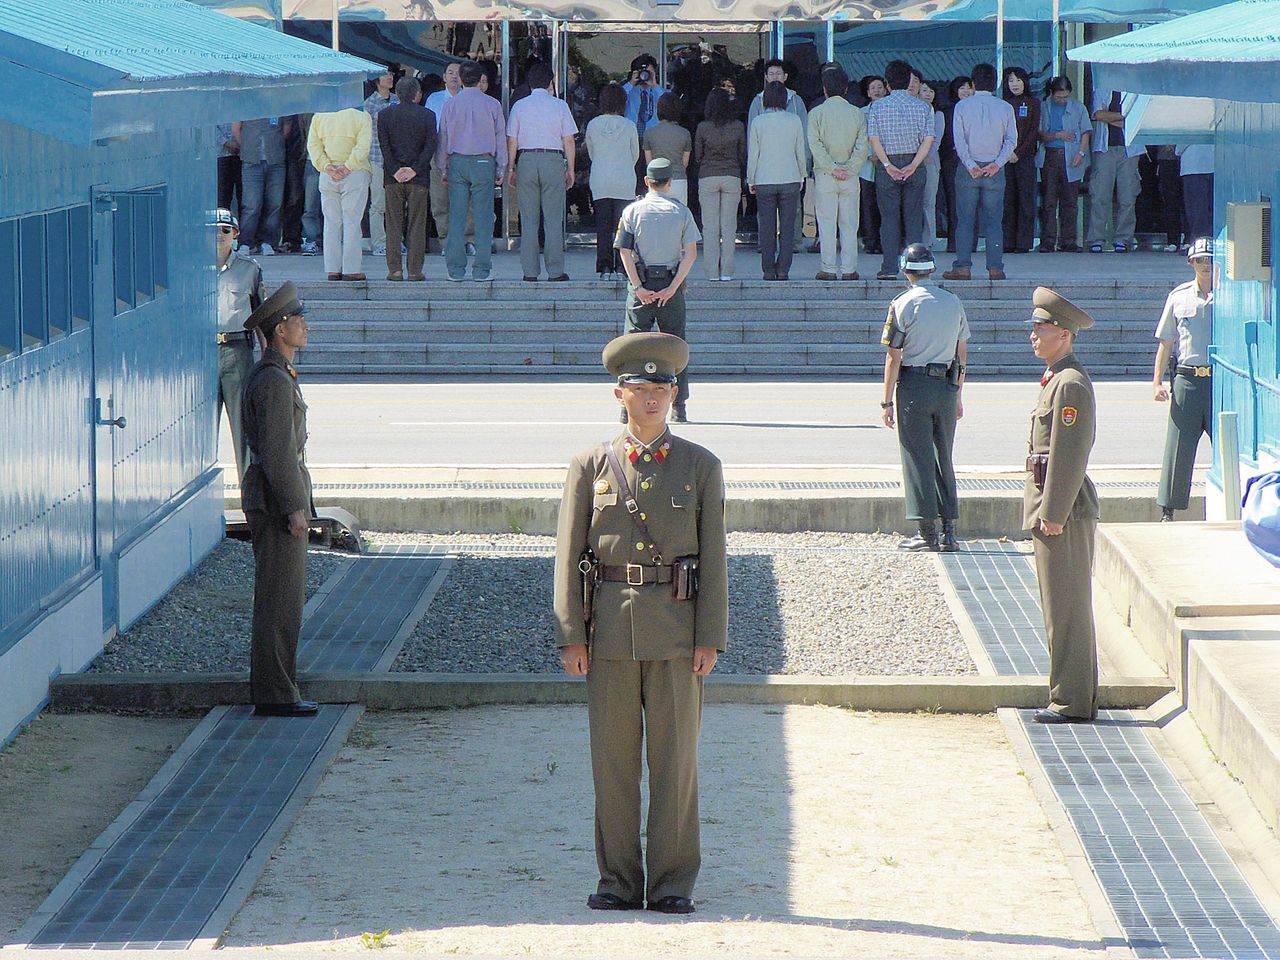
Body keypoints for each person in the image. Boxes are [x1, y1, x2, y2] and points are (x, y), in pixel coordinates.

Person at [552, 331, 728, 916]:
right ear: (618, 393)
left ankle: (673, 883)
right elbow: (568, 553)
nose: (653, 397)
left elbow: (715, 555)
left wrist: (711, 636)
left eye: (663, 387)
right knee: (614, 764)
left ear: (675, 395)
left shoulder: (700, 466)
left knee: (676, 764)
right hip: (608, 633)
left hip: (677, 633)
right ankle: (618, 881)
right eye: (641, 387)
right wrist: (571, 634)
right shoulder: (589, 465)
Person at [240, 281, 318, 719]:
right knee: (278, 599)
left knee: (285, 598)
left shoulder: (278, 374)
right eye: (296, 320)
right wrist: (295, 507)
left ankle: (281, 688)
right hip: (274, 502)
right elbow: (277, 452)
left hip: (276, 497)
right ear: (278, 331)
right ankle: (274, 693)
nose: (304, 325)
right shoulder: (272, 380)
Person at [1024, 286, 1099, 725]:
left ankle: (1070, 700)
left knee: (1067, 609)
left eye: (1042, 328)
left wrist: (1052, 513)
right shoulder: (1057, 378)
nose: (1033, 335)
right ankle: (1074, 695)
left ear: (1064, 335)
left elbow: (1069, 455)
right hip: (1054, 507)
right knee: (1062, 608)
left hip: (1063, 512)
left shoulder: (1069, 383)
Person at [879, 243, 969, 552]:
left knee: (917, 457)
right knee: (944, 455)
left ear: (906, 269)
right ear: (931, 269)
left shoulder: (902, 304)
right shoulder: (953, 301)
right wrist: (957, 393)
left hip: (915, 386)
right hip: (945, 385)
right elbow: (962, 353)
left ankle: (926, 532)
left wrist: (886, 401)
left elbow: (893, 356)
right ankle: (949, 532)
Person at [616, 159, 700, 423]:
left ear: (646, 181)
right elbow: (691, 253)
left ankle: (626, 407)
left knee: (631, 348)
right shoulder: (681, 212)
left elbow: (624, 251)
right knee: (676, 348)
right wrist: (673, 288)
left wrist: (639, 288)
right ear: (670, 183)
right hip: (670, 285)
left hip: (641, 286)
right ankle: (679, 407)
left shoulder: (632, 211)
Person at [1153, 238, 1214, 521]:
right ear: (1191, 263)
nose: (1205, 265)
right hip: (1187, 379)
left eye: (1210, 259)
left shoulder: (1232, 295)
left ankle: (1235, 501)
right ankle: (1169, 509)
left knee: (1229, 444)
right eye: (1200, 260)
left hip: (1220, 380)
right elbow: (1166, 342)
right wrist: (1156, 383)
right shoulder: (1179, 297)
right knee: (1178, 446)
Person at [944, 63, 1015, 282]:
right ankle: (995, 267)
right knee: (994, 221)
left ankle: (963, 266)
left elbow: (959, 140)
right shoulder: (1005, 107)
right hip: (995, 167)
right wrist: (998, 163)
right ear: (995, 84)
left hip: (969, 169)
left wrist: (970, 164)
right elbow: (1011, 140)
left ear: (973, 84)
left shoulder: (963, 106)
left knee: (965, 220)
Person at [507, 61, 578, 282]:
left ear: (529, 82)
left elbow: (512, 140)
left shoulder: (519, 105)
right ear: (550, 82)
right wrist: (571, 168)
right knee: (553, 219)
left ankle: (529, 272)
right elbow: (569, 140)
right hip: (553, 159)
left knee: (528, 219)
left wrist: (511, 167)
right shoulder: (560, 105)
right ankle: (555, 271)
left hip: (526, 159)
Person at [437, 61, 506, 282]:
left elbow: (443, 137)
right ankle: (482, 269)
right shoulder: (493, 104)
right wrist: (502, 166)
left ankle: (455, 270)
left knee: (456, 216)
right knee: (483, 217)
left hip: (456, 162)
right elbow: (500, 137)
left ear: (461, 79)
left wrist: (442, 167)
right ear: (480, 79)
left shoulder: (450, 105)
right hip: (484, 163)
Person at [867, 60, 935, 281]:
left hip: (888, 165)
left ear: (887, 83)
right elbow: (928, 139)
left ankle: (888, 267)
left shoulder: (877, 106)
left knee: (889, 219)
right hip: (915, 164)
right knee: (914, 217)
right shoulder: (923, 106)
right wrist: (914, 164)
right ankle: (917, 267)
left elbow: (874, 139)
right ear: (908, 82)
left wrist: (887, 165)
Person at [213, 209, 264, 484]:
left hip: (236, 350)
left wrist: (269, 356)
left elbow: (260, 317)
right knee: (200, 429)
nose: (218, 235)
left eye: (224, 230)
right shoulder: (190, 267)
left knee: (243, 429)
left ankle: (250, 493)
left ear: (235, 234)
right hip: (203, 351)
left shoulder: (249, 269)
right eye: (212, 230)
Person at [808, 67, 868, 281]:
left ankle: (829, 268)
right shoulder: (857, 113)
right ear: (845, 89)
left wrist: (832, 167)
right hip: (851, 176)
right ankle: (849, 268)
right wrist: (850, 168)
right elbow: (863, 146)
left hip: (825, 175)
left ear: (824, 89)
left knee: (826, 222)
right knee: (850, 224)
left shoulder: (816, 113)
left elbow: (815, 145)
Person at [378, 76, 437, 282]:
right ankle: (414, 270)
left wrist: (395, 169)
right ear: (417, 94)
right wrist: (415, 169)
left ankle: (394, 269)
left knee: (393, 223)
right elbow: (430, 146)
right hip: (419, 178)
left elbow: (384, 146)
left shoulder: (384, 115)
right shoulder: (428, 115)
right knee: (417, 224)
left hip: (392, 177)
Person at [747, 81, 806, 281]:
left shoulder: (758, 122)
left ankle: (768, 270)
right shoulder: (795, 120)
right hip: (790, 178)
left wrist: (751, 178)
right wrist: (802, 175)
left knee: (767, 227)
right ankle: (783, 270)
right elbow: (800, 151)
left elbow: (753, 154)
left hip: (764, 179)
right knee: (788, 227)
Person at [308, 105, 372, 281]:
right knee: (352, 221)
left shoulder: (319, 114)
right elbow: (363, 146)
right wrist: (348, 166)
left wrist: (327, 167)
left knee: (331, 222)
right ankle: (351, 268)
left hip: (328, 175)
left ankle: (332, 269)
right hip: (355, 172)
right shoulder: (362, 115)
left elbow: (313, 146)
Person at [585, 83, 641, 280]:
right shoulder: (629, 126)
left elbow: (591, 153)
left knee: (603, 226)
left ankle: (604, 266)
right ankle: (622, 266)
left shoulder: (593, 125)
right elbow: (635, 155)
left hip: (600, 179)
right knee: (623, 226)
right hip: (624, 180)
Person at [694, 88, 746, 282]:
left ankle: (711, 272)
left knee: (709, 227)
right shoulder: (738, 126)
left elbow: (698, 156)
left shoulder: (702, 127)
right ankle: (727, 271)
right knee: (729, 226)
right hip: (732, 175)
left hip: (708, 176)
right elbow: (742, 155)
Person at [1035, 76, 1091, 253]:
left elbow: (1085, 132)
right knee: (1049, 201)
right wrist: (1057, 135)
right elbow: (1040, 134)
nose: (1062, 100)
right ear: (1051, 93)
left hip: (1071, 156)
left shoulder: (1078, 107)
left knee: (1070, 201)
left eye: (1066, 96)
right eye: (1059, 96)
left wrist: (1081, 153)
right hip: (1050, 156)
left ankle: (1069, 240)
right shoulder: (1044, 107)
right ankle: (1047, 241)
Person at [1086, 88, 1143, 253]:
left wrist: (1109, 116)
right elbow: (1098, 115)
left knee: (1127, 196)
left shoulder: (1135, 92)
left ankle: (1123, 239)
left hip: (1130, 149)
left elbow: (1138, 118)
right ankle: (1096, 239)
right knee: (1100, 195)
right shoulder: (1102, 89)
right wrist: (1122, 117)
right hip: (1105, 148)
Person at [234, 116, 290, 255]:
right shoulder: (246, 102)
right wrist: (247, 146)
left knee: (274, 203)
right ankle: (246, 243)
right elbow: (236, 128)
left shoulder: (279, 103)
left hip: (276, 161)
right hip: (251, 161)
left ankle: (269, 242)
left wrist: (275, 145)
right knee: (251, 204)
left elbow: (286, 128)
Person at [1001, 67, 1041, 254]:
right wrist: (1008, 153)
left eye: (1018, 80)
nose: (1014, 84)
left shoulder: (1033, 103)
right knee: (1008, 200)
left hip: (1025, 158)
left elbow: (1033, 131)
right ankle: (1008, 241)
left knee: (1026, 199)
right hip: (1005, 159)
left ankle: (1024, 242)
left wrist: (1019, 152)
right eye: (1011, 81)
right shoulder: (1003, 103)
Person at [426, 62, 464, 253]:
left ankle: (467, 241)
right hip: (438, 152)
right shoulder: (434, 99)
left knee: (464, 200)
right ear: (444, 77)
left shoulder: (469, 98)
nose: (454, 76)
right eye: (450, 73)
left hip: (463, 154)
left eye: (458, 73)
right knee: (440, 201)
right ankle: (446, 242)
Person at [364, 67, 400, 258]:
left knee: (396, 203)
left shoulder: (397, 100)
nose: (390, 78)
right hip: (377, 158)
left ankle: (396, 240)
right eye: (386, 75)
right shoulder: (369, 104)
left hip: (397, 160)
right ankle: (379, 242)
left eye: (392, 75)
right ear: (377, 79)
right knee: (378, 203)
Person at [940, 76, 974, 253]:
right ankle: (954, 242)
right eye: (962, 88)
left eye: (969, 87)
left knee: (973, 202)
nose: (966, 91)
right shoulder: (947, 111)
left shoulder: (977, 109)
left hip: (975, 160)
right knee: (953, 202)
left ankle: (971, 243)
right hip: (952, 160)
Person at [643, 94, 693, 206]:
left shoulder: (649, 133)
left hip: (656, 181)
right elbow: (685, 163)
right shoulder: (685, 133)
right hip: (678, 179)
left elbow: (649, 162)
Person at [857, 75, 887, 255]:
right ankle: (870, 241)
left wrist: (881, 156)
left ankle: (886, 242)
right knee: (868, 205)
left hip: (888, 163)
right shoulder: (861, 112)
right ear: (868, 93)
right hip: (867, 165)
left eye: (879, 87)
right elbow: (860, 137)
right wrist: (870, 154)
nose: (876, 90)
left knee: (886, 204)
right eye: (873, 88)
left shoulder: (890, 110)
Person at [918, 80, 945, 249]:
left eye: (930, 91)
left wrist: (922, 156)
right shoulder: (912, 112)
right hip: (911, 163)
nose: (928, 94)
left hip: (930, 162)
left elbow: (936, 141)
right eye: (924, 90)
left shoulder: (938, 115)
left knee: (928, 202)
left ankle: (928, 240)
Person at [1177, 143, 1214, 245]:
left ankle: (1199, 243)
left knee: (1196, 209)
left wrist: (1177, 149)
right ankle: (1208, 241)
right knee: (1209, 208)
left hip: (1192, 165)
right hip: (1214, 162)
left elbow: (1182, 141)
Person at [624, 55, 663, 145]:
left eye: (648, 72)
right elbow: (615, 99)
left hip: (654, 139)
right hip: (630, 138)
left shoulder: (659, 91)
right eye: (641, 72)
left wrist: (654, 85)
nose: (644, 75)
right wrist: (631, 83)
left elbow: (669, 104)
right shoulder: (628, 91)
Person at [216, 123, 241, 216]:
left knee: (245, 200)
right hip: (221, 155)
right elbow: (210, 126)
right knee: (222, 199)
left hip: (243, 155)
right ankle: (223, 229)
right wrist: (225, 142)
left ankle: (242, 229)